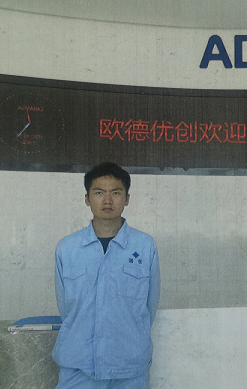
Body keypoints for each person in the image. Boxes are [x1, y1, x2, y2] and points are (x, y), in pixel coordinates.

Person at [53, 162, 161, 389]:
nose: (108, 201)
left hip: (130, 368)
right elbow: (66, 310)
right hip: (79, 367)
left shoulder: (145, 246)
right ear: (87, 199)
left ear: (127, 199)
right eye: (99, 193)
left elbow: (149, 306)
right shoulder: (67, 249)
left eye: (116, 193)